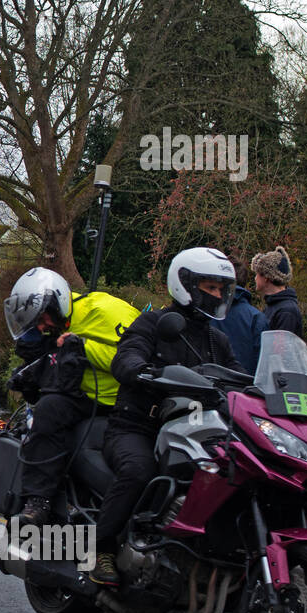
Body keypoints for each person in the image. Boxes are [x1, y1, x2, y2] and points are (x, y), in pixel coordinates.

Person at [91, 248, 243, 586]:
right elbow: (126, 355)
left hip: (194, 432)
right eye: (211, 287)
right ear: (185, 284)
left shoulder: (216, 340)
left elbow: (235, 376)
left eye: (221, 289)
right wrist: (140, 370)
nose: (217, 295)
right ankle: (99, 548)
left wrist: (258, 390)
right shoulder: (152, 324)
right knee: (139, 470)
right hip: (138, 427)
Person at [3, 267, 139, 525]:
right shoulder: (55, 325)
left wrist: (85, 348)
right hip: (83, 396)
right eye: (36, 325)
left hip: (122, 400)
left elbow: (133, 359)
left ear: (58, 303)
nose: (42, 327)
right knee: (47, 410)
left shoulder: (106, 311)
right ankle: (38, 501)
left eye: (42, 319)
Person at [212, 257, 268, 376]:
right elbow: (263, 365)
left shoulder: (206, 311)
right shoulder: (256, 317)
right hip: (245, 388)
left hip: (209, 384)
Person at [251, 245, 304, 337]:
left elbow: (281, 349)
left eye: (257, 274)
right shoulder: (273, 306)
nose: (255, 278)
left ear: (266, 278)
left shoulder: (286, 311)